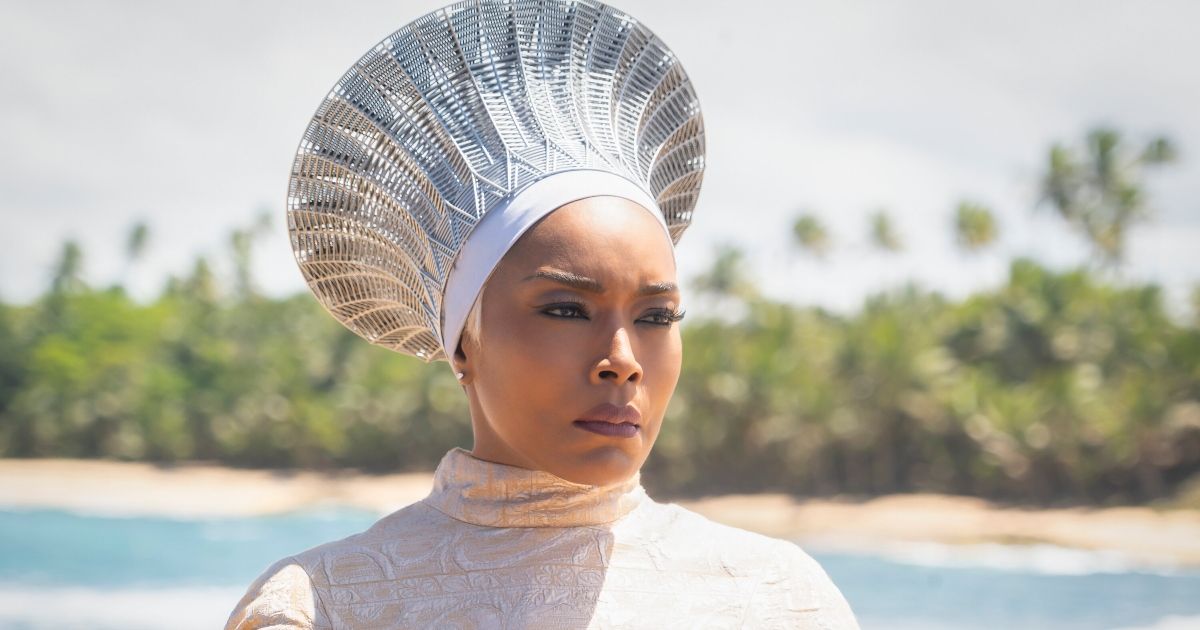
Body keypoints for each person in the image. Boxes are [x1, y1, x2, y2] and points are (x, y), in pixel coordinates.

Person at [227, 0, 860, 627]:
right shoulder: (323, 606)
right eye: (566, 309)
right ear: (464, 345)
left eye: (657, 317)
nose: (623, 361)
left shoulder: (779, 597)